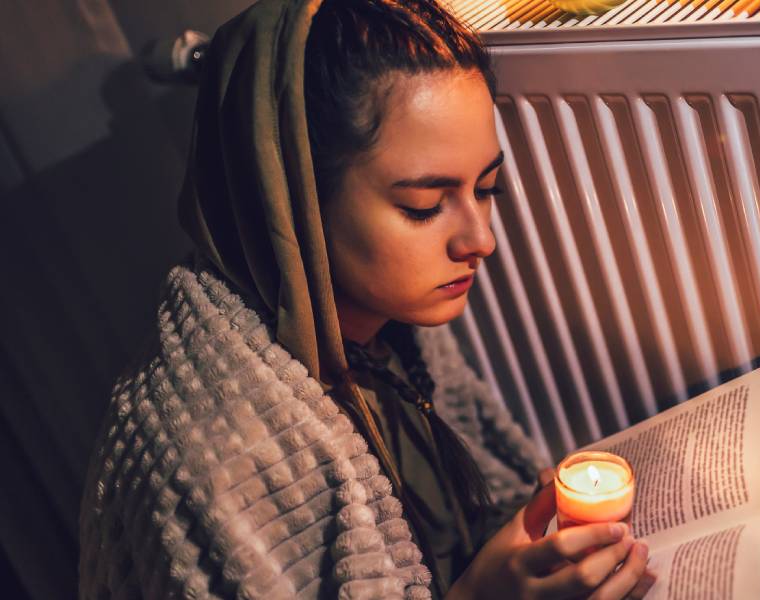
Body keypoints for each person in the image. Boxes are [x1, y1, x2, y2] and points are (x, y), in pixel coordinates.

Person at [77, 0, 656, 598]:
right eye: (423, 207)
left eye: (488, 188)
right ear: (295, 199)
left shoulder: (394, 333)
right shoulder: (208, 459)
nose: (480, 239)